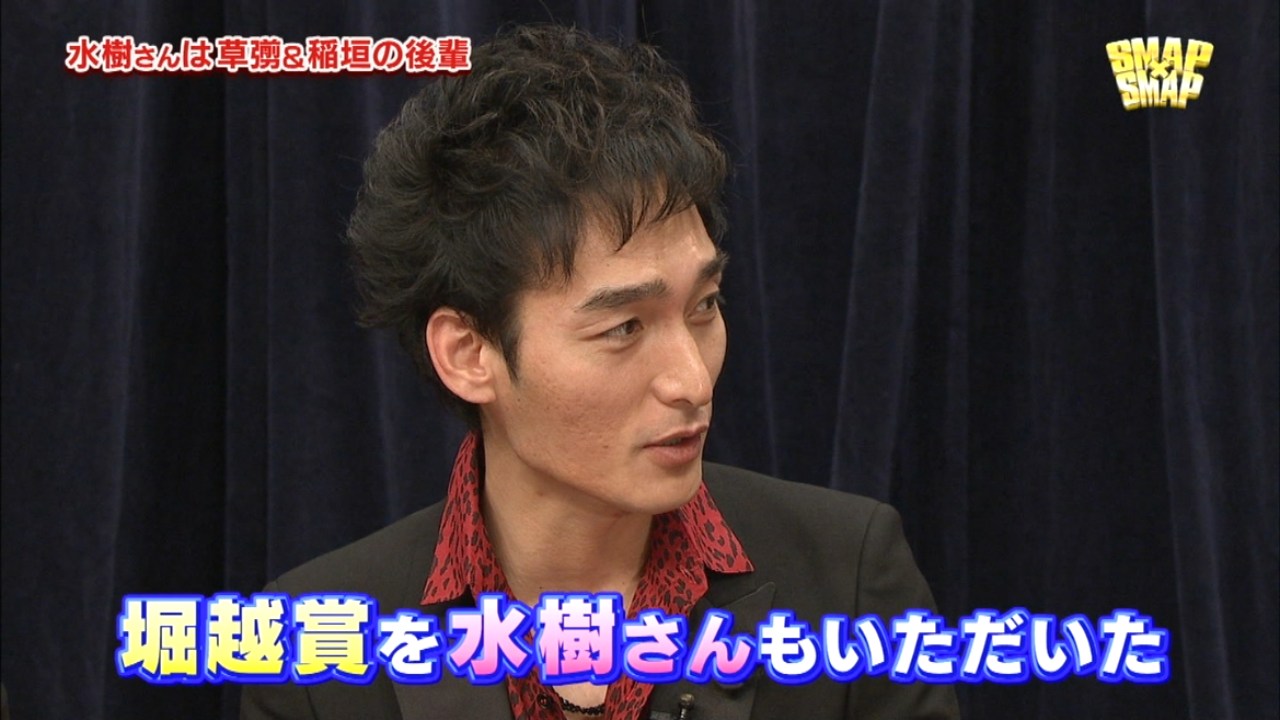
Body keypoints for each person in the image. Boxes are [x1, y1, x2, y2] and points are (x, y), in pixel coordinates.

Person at [241, 24, 960, 720]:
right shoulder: (316, 646)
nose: (692, 382)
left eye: (705, 306)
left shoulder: (847, 580)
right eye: (624, 328)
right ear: (468, 354)